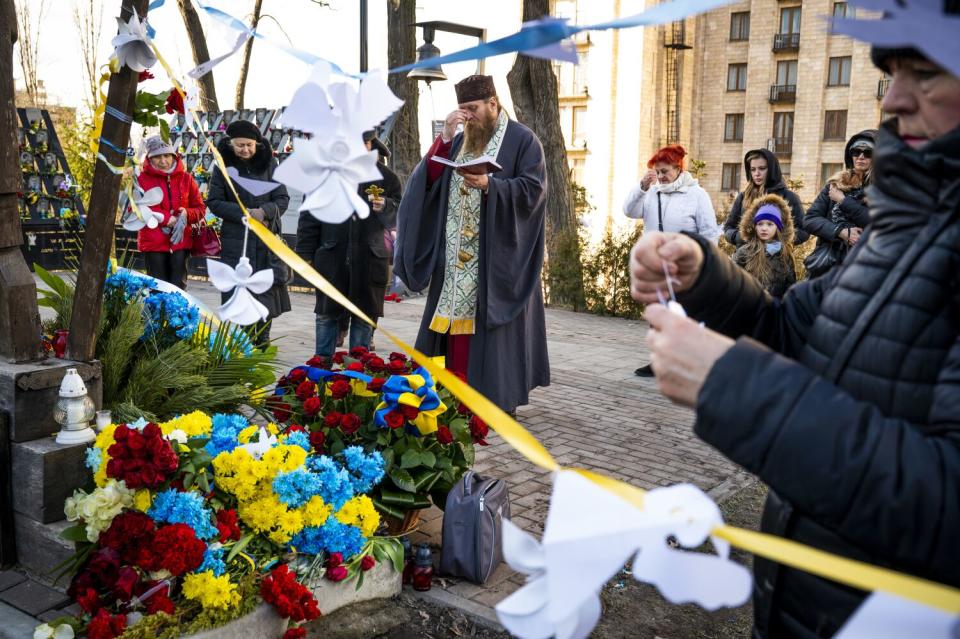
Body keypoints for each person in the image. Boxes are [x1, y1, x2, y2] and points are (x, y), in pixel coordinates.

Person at [628, 5, 960, 634]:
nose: (893, 103)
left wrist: (732, 386)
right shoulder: (903, 226)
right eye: (891, 74)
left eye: (927, 74)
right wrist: (704, 277)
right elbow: (794, 330)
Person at [394, 74, 550, 414]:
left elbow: (533, 191)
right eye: (462, 109)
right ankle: (451, 394)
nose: (468, 115)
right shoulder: (461, 139)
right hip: (453, 257)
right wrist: (446, 137)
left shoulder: (524, 141)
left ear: (493, 104)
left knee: (491, 337)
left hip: (497, 259)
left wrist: (491, 186)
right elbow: (428, 183)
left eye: (473, 108)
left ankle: (493, 400)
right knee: (452, 334)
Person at [296, 130, 402, 359]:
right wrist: (304, 255)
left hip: (370, 259)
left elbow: (401, 215)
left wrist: (386, 206)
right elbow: (309, 217)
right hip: (332, 256)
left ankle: (356, 379)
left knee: (364, 316)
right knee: (326, 315)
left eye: (362, 143)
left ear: (370, 144)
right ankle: (319, 374)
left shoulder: (387, 177)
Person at [623, 144, 720, 377]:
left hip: (685, 266)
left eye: (664, 171)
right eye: (656, 172)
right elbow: (629, 211)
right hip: (656, 265)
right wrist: (641, 188)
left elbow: (709, 232)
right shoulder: (652, 192)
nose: (660, 177)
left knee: (684, 316)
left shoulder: (696, 195)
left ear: (678, 168)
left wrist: (705, 264)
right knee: (657, 315)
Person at [206, 120, 291, 346]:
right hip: (237, 244)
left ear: (257, 144)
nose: (245, 149)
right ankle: (243, 342)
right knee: (240, 295)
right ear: (231, 144)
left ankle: (262, 341)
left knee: (266, 295)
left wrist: (264, 211)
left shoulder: (270, 165)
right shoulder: (222, 167)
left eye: (249, 145)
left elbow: (283, 199)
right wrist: (243, 213)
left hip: (265, 241)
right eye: (240, 145)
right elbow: (214, 201)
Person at [801, 130, 877, 278]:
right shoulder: (836, 185)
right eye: (856, 151)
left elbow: (879, 223)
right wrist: (840, 232)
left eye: (868, 152)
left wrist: (843, 201)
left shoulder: (884, 190)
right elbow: (810, 220)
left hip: (865, 266)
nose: (861, 156)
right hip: (828, 264)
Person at [136, 136, 205, 290]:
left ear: (174, 156)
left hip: (181, 243)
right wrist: (166, 218)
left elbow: (200, 209)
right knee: (157, 287)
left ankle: (176, 315)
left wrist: (187, 213)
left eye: (166, 155)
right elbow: (135, 209)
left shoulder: (186, 179)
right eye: (157, 157)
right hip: (153, 243)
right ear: (149, 158)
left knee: (178, 288)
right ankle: (157, 315)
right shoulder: (141, 180)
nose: (163, 161)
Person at [722, 149, 808, 247]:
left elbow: (804, 231)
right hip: (745, 258)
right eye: (753, 169)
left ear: (771, 169)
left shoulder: (788, 197)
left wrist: (779, 241)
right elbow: (728, 228)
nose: (756, 173)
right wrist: (739, 237)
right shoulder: (743, 197)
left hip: (776, 258)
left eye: (762, 168)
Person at [731, 194, 797, 298]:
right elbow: (733, 283)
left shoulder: (785, 254)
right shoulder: (744, 252)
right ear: (754, 227)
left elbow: (790, 287)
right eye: (760, 224)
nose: (764, 228)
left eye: (770, 224)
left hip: (774, 309)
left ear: (778, 228)